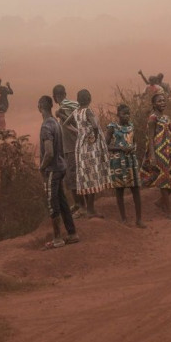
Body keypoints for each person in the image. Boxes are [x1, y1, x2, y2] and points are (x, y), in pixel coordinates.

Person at [140, 92, 171, 220]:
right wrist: (152, 156)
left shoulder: (167, 118)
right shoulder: (152, 118)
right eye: (159, 101)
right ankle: (168, 212)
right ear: (153, 104)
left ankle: (160, 202)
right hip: (159, 152)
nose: (162, 103)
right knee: (164, 181)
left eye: (163, 100)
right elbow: (150, 138)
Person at [38, 95, 79, 249]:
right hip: (61, 167)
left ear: (40, 107)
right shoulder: (55, 123)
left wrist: (42, 167)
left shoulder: (46, 126)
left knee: (52, 203)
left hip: (52, 170)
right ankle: (72, 233)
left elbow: (49, 152)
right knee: (62, 202)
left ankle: (57, 239)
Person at [106, 104, 145, 228]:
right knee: (119, 190)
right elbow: (105, 146)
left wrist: (132, 148)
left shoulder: (131, 126)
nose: (127, 116)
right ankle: (123, 219)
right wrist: (120, 148)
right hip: (118, 162)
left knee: (136, 189)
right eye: (124, 113)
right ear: (118, 114)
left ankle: (139, 220)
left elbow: (135, 142)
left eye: (128, 113)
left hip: (131, 161)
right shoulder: (112, 127)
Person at [74, 89, 112, 217]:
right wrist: (94, 136)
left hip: (81, 148)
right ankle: (91, 210)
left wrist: (80, 132)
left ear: (78, 100)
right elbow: (95, 125)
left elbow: (67, 123)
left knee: (86, 177)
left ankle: (89, 209)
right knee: (94, 177)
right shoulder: (88, 111)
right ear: (89, 98)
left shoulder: (76, 112)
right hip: (91, 148)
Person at [53, 84, 84, 215]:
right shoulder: (71, 105)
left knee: (74, 177)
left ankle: (81, 206)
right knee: (71, 177)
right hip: (69, 147)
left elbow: (74, 123)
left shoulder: (64, 107)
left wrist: (61, 115)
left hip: (72, 147)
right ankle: (77, 204)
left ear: (55, 97)